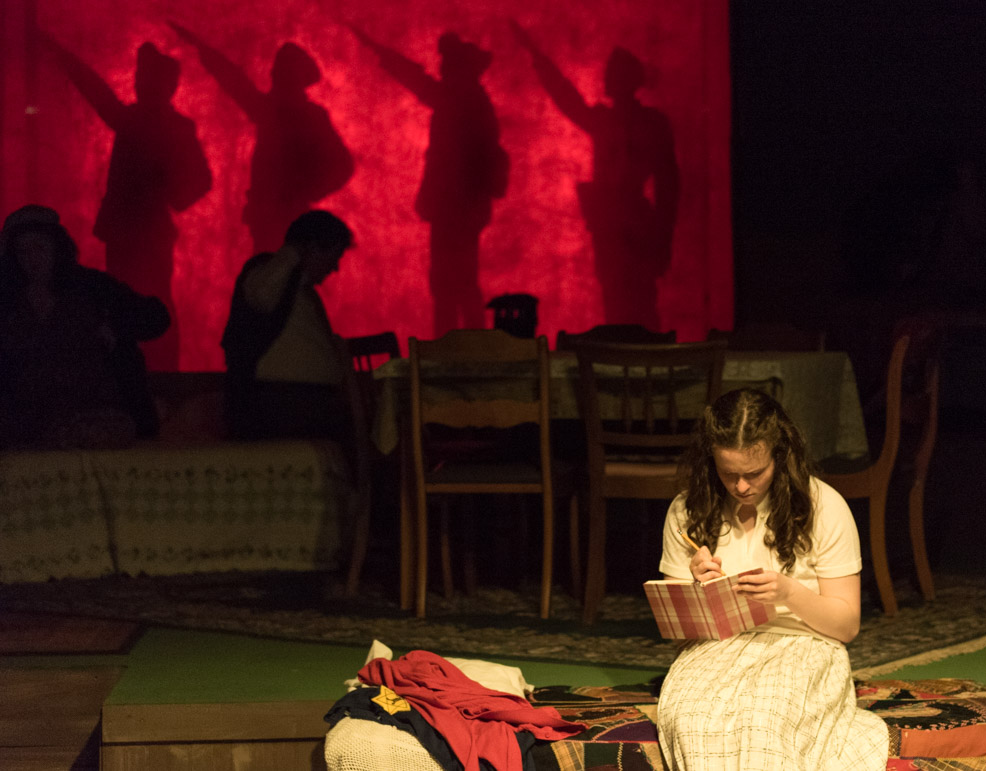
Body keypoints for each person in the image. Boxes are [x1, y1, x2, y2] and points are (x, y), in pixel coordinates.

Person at [655, 388, 888, 771]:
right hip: (716, 648)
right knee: (693, 721)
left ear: (780, 457)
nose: (741, 486)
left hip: (801, 645)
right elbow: (678, 634)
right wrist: (697, 591)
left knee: (763, 721)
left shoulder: (823, 506)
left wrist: (788, 591)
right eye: (728, 473)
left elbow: (846, 626)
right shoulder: (688, 508)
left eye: (754, 473)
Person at [40, 34, 213, 371]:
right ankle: (134, 366)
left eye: (145, 79)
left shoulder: (163, 126)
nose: (139, 85)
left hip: (145, 233)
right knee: (125, 300)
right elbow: (97, 91)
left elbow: (200, 181)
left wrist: (171, 191)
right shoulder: (140, 121)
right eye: (139, 79)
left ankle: (158, 367)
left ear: (163, 86)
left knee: (149, 301)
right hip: (128, 232)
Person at [511, 21, 679, 330]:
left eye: (614, 72)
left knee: (639, 302)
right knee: (616, 301)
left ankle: (643, 365)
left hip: (635, 224)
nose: (607, 77)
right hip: (614, 223)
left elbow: (670, 187)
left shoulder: (649, 124)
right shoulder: (617, 121)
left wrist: (662, 238)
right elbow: (567, 97)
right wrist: (537, 56)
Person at [350, 26, 508, 335]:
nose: (442, 69)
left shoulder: (464, 102)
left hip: (456, 208)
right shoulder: (467, 100)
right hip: (457, 208)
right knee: (454, 283)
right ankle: (458, 347)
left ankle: (454, 350)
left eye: (449, 64)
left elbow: (420, 84)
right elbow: (420, 83)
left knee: (453, 284)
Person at [170, 23, 354, 255]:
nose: (273, 76)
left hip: (287, 217)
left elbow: (343, 166)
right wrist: (203, 50)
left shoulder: (303, 116)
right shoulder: (275, 111)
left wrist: (304, 191)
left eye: (279, 72)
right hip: (272, 217)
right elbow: (236, 82)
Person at [0, 206, 171, 440]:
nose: (32, 259)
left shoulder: (91, 287)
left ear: (56, 248)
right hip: (25, 419)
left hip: (95, 413)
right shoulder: (7, 299)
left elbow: (156, 317)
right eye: (22, 252)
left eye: (39, 247)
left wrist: (116, 327)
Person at [220, 209, 354, 451]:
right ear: (312, 249)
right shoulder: (266, 275)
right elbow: (261, 294)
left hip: (304, 404)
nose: (335, 267)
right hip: (278, 404)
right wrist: (293, 252)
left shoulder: (305, 293)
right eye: (333, 255)